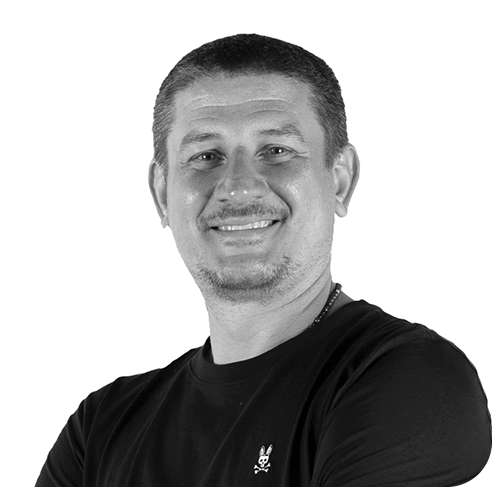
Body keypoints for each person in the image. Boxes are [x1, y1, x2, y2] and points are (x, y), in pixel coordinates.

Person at [35, 34, 492, 488]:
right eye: (206, 156)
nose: (238, 187)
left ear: (339, 180)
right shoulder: (100, 430)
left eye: (276, 151)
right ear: (162, 194)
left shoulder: (411, 381)